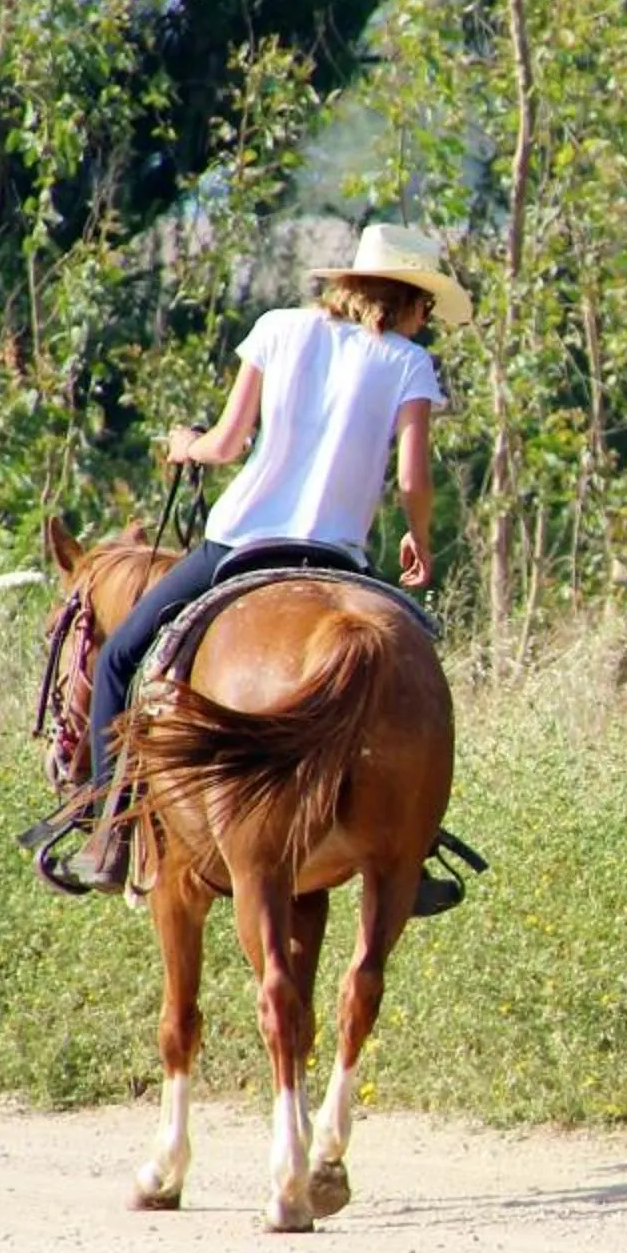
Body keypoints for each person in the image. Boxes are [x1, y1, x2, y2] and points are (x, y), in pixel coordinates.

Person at [30, 222, 466, 896]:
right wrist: (418, 536)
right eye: (426, 307)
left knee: (119, 658)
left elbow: (228, 444)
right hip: (337, 558)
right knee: (402, 668)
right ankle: (413, 842)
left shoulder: (278, 327)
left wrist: (185, 443)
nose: (425, 320)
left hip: (241, 542)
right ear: (408, 302)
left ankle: (108, 830)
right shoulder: (408, 362)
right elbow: (413, 479)